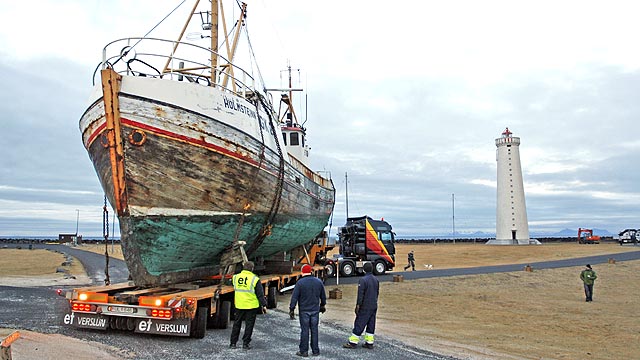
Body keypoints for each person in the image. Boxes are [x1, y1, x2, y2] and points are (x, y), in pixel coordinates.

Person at [289, 264, 327, 357]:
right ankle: (315, 351)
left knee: (304, 331)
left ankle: (304, 351)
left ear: (302, 272)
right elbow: (323, 296)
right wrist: (322, 305)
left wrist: (292, 309)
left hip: (304, 311)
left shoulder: (300, 283)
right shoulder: (318, 282)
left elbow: (294, 297)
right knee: (314, 330)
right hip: (315, 310)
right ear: (311, 271)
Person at [230, 261, 267, 350]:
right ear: (252, 269)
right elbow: (260, 294)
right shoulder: (255, 279)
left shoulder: (236, 277)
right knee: (249, 325)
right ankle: (245, 344)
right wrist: (264, 305)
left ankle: (233, 343)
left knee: (236, 324)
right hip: (251, 306)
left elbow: (231, 284)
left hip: (239, 305)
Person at [343, 262, 379, 349]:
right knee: (371, 324)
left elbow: (361, 294)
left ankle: (353, 342)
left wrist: (358, 305)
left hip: (365, 305)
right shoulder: (376, 280)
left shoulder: (363, 280)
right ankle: (369, 342)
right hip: (373, 305)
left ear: (364, 269)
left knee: (360, 323)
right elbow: (377, 293)